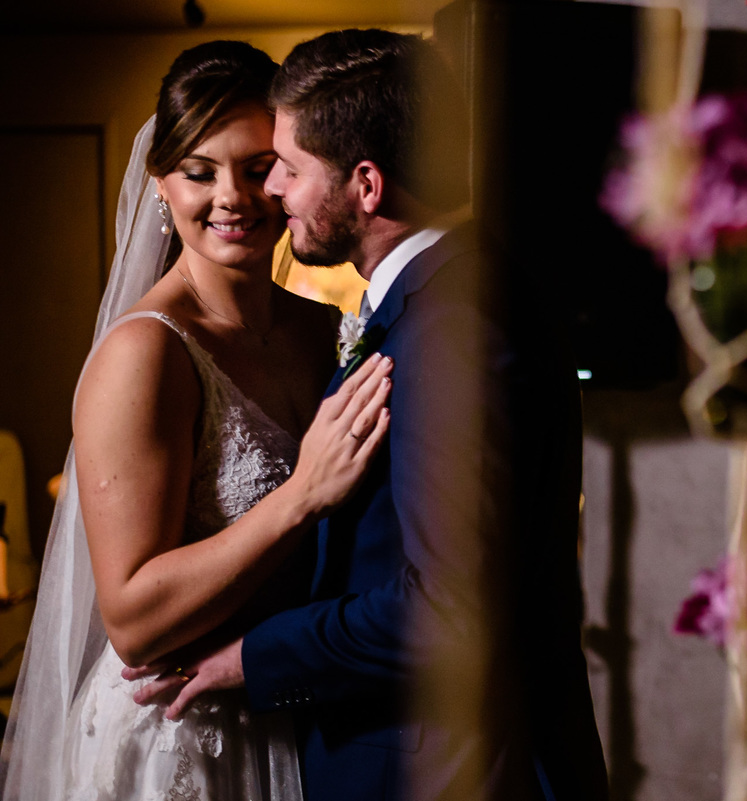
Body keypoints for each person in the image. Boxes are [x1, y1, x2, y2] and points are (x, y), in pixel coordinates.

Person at [136, 29, 610, 801]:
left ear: (365, 183)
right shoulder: (434, 299)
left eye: (286, 167)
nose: (273, 191)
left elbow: (448, 611)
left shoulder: (455, 329)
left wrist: (250, 657)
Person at [0, 40, 392, 801]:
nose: (233, 199)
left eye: (257, 168)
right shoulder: (146, 352)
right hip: (182, 741)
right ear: (159, 185)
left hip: (302, 712)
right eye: (199, 172)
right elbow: (134, 621)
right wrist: (300, 493)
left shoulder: (328, 330)